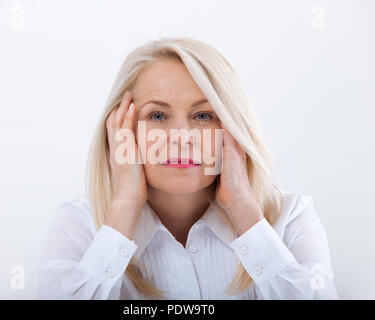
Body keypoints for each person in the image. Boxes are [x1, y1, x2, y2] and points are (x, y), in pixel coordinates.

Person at [37, 37, 339, 299]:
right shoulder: (79, 224)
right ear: (122, 129)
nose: (182, 137)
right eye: (157, 116)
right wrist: (125, 204)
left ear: (233, 127)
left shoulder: (291, 217)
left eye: (204, 116)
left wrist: (244, 209)